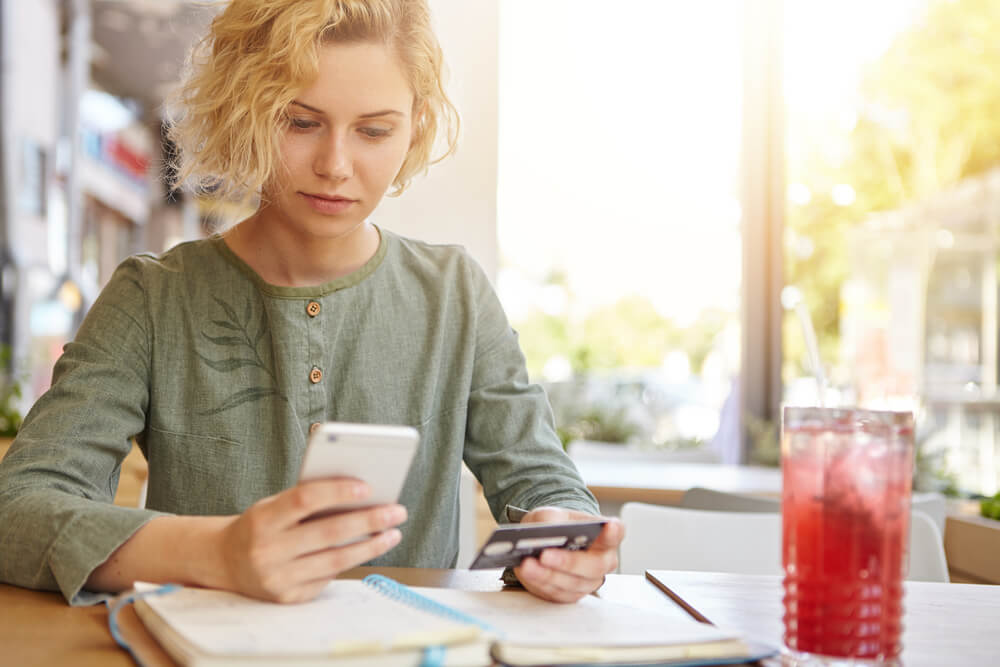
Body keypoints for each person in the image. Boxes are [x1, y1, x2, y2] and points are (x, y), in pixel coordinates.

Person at [0, 0, 622, 606]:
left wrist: (565, 535)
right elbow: (17, 511)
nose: (335, 165)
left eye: (375, 130)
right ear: (243, 109)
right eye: (299, 121)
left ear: (416, 126)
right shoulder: (153, 297)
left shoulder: (455, 293)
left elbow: (542, 477)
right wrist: (215, 552)